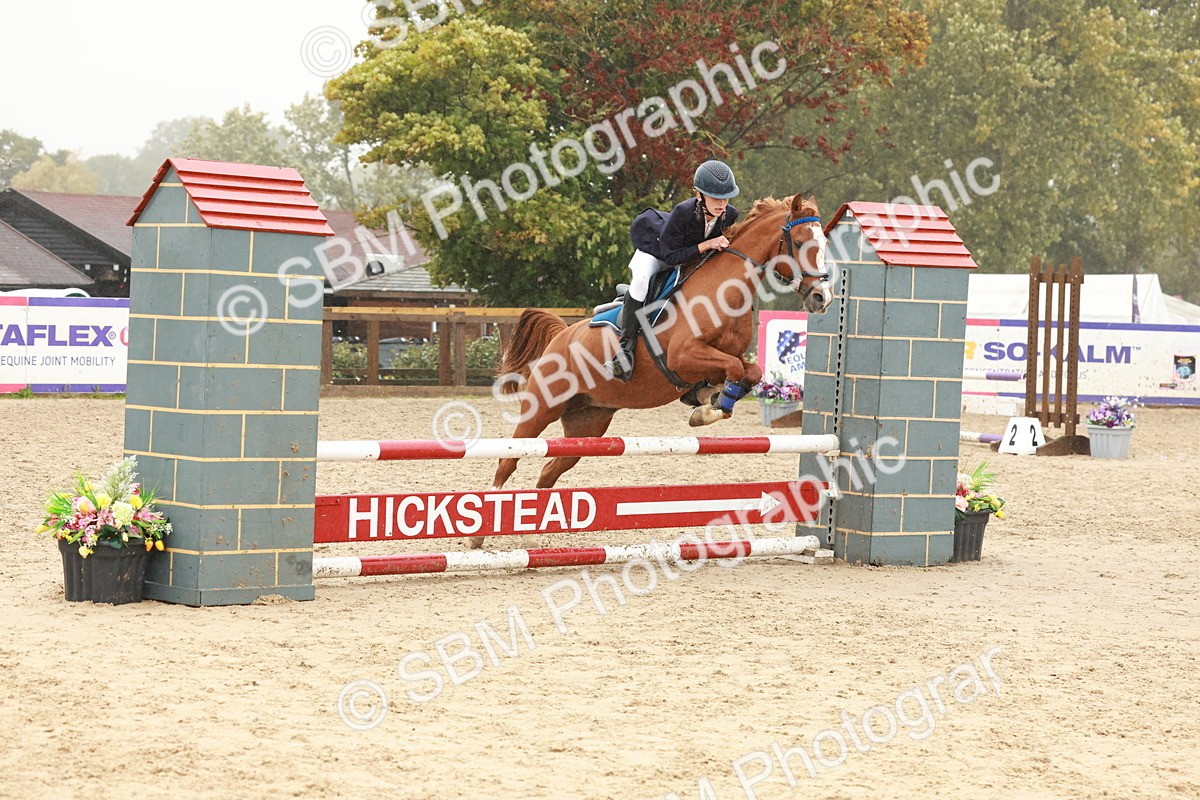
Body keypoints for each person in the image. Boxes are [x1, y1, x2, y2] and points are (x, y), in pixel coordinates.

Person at [606, 159, 741, 381]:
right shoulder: (683, 212)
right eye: (716, 198)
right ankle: (624, 351)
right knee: (640, 283)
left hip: (687, 257)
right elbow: (671, 256)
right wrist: (707, 244)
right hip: (657, 253)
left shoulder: (730, 215)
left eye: (726, 198)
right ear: (699, 196)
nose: (722, 204)